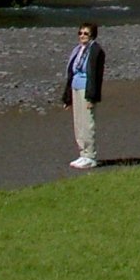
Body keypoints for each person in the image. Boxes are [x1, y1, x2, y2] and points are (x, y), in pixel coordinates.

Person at [62, 22, 105, 169]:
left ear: (92, 35)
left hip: (87, 89)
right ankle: (83, 153)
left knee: (87, 123)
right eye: (80, 33)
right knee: (78, 123)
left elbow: (96, 76)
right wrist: (67, 97)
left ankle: (91, 155)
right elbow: (71, 72)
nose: (82, 36)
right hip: (75, 88)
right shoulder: (77, 50)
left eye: (86, 33)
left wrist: (93, 97)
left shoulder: (96, 51)